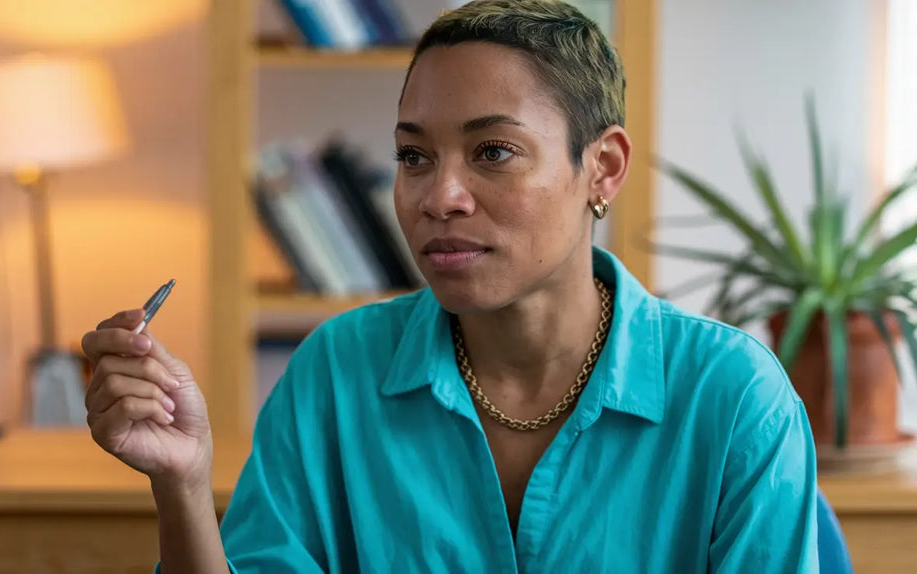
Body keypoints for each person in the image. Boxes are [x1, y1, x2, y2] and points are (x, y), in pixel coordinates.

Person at [81, 1, 819, 572]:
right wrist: (182, 482)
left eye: (494, 151)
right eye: (413, 156)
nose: (440, 196)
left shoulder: (734, 400)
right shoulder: (337, 373)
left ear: (603, 168)